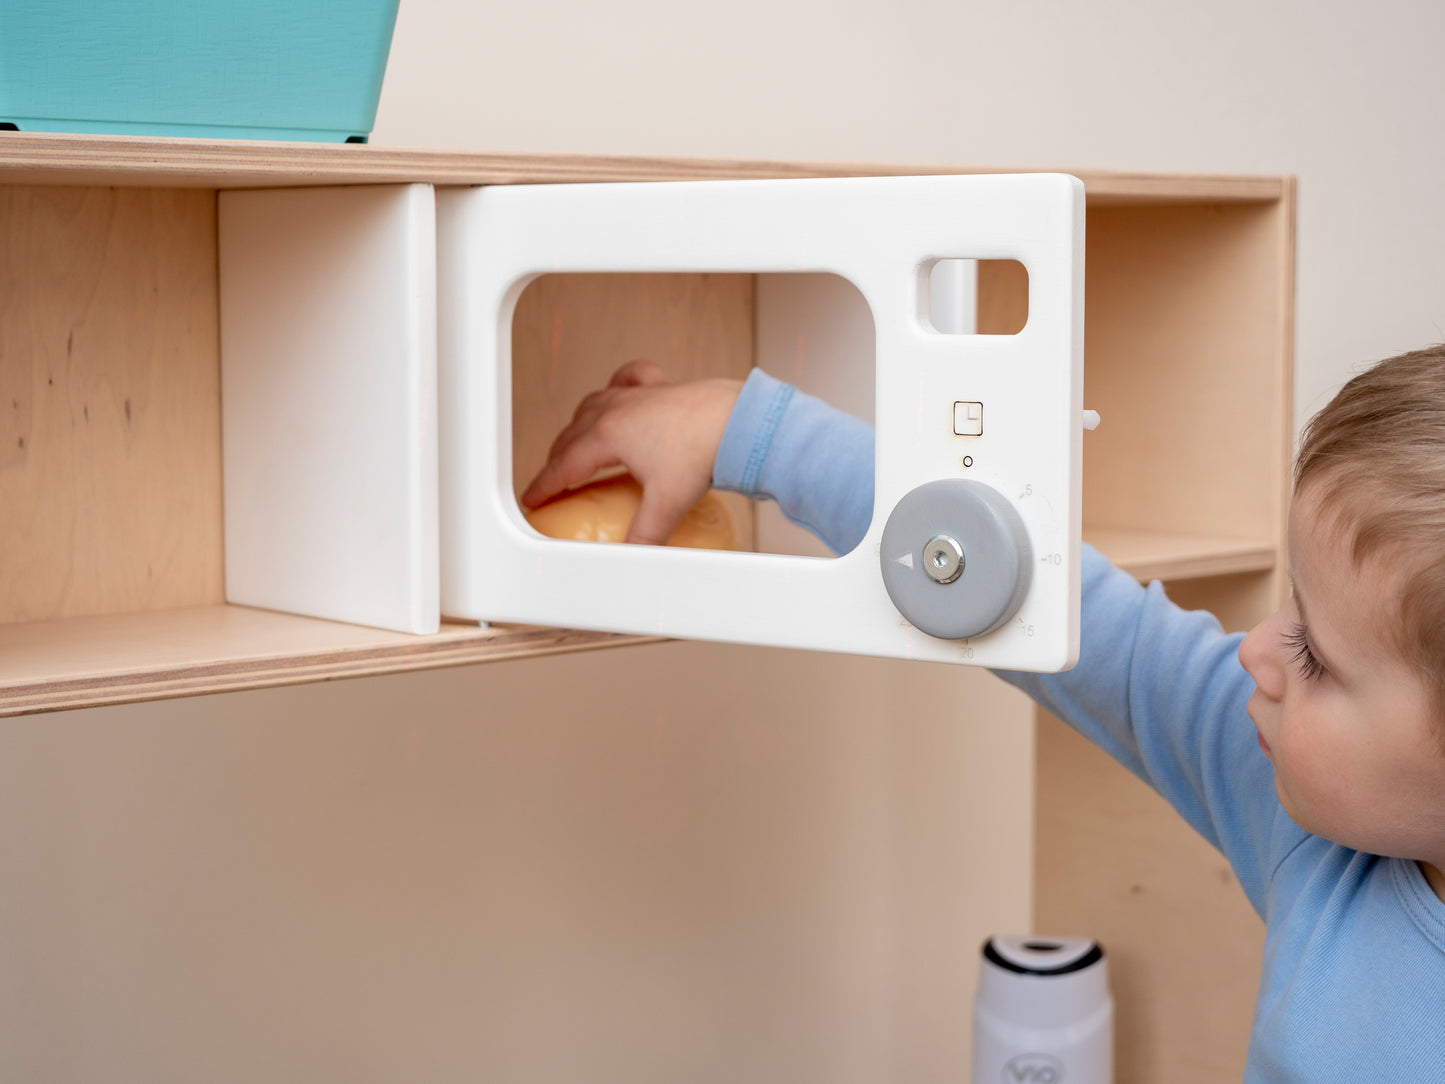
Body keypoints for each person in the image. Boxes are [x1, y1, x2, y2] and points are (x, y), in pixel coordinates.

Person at [521, 348, 1445, 1080]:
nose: (1254, 649)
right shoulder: (1326, 836)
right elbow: (1068, 618)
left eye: (1315, 656)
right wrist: (747, 431)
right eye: (1291, 606)